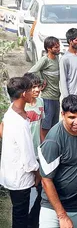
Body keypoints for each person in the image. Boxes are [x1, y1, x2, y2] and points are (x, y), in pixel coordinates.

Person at [38, 95, 77, 228]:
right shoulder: (53, 141)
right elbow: (46, 180)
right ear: (63, 114)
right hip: (53, 209)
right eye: (71, 117)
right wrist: (62, 215)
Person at [0, 77, 40, 228]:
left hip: (11, 172)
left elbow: (2, 129)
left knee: (20, 212)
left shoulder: (12, 110)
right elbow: (28, 158)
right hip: (20, 176)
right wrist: (38, 175)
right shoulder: (19, 123)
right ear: (24, 94)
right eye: (30, 90)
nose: (33, 93)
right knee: (20, 215)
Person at [28, 36, 61, 139]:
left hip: (56, 98)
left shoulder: (56, 59)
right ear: (49, 49)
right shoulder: (45, 60)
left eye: (58, 46)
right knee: (46, 126)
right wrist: (41, 82)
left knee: (54, 126)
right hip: (47, 98)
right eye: (55, 47)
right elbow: (31, 72)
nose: (58, 49)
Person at [23, 73, 45, 156]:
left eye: (39, 86)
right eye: (33, 87)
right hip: (26, 149)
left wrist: (43, 143)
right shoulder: (22, 105)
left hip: (37, 147)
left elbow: (39, 125)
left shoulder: (41, 102)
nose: (37, 89)